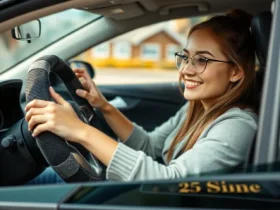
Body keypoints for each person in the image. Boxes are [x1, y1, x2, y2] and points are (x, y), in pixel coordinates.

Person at [25, 9, 258, 184]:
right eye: (186, 57)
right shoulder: (197, 107)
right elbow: (150, 147)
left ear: (236, 72)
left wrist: (80, 130)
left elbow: (170, 181)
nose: (186, 69)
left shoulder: (238, 126)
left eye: (202, 60)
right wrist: (103, 106)